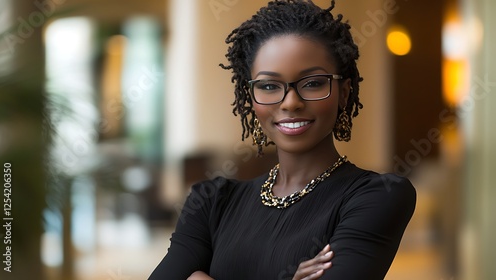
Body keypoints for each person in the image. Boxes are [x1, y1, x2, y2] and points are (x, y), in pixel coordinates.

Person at [149, 0, 416, 279]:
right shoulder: (211, 201)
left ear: (344, 93)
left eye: (313, 83)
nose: (291, 103)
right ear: (250, 97)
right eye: (268, 86)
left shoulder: (378, 196)